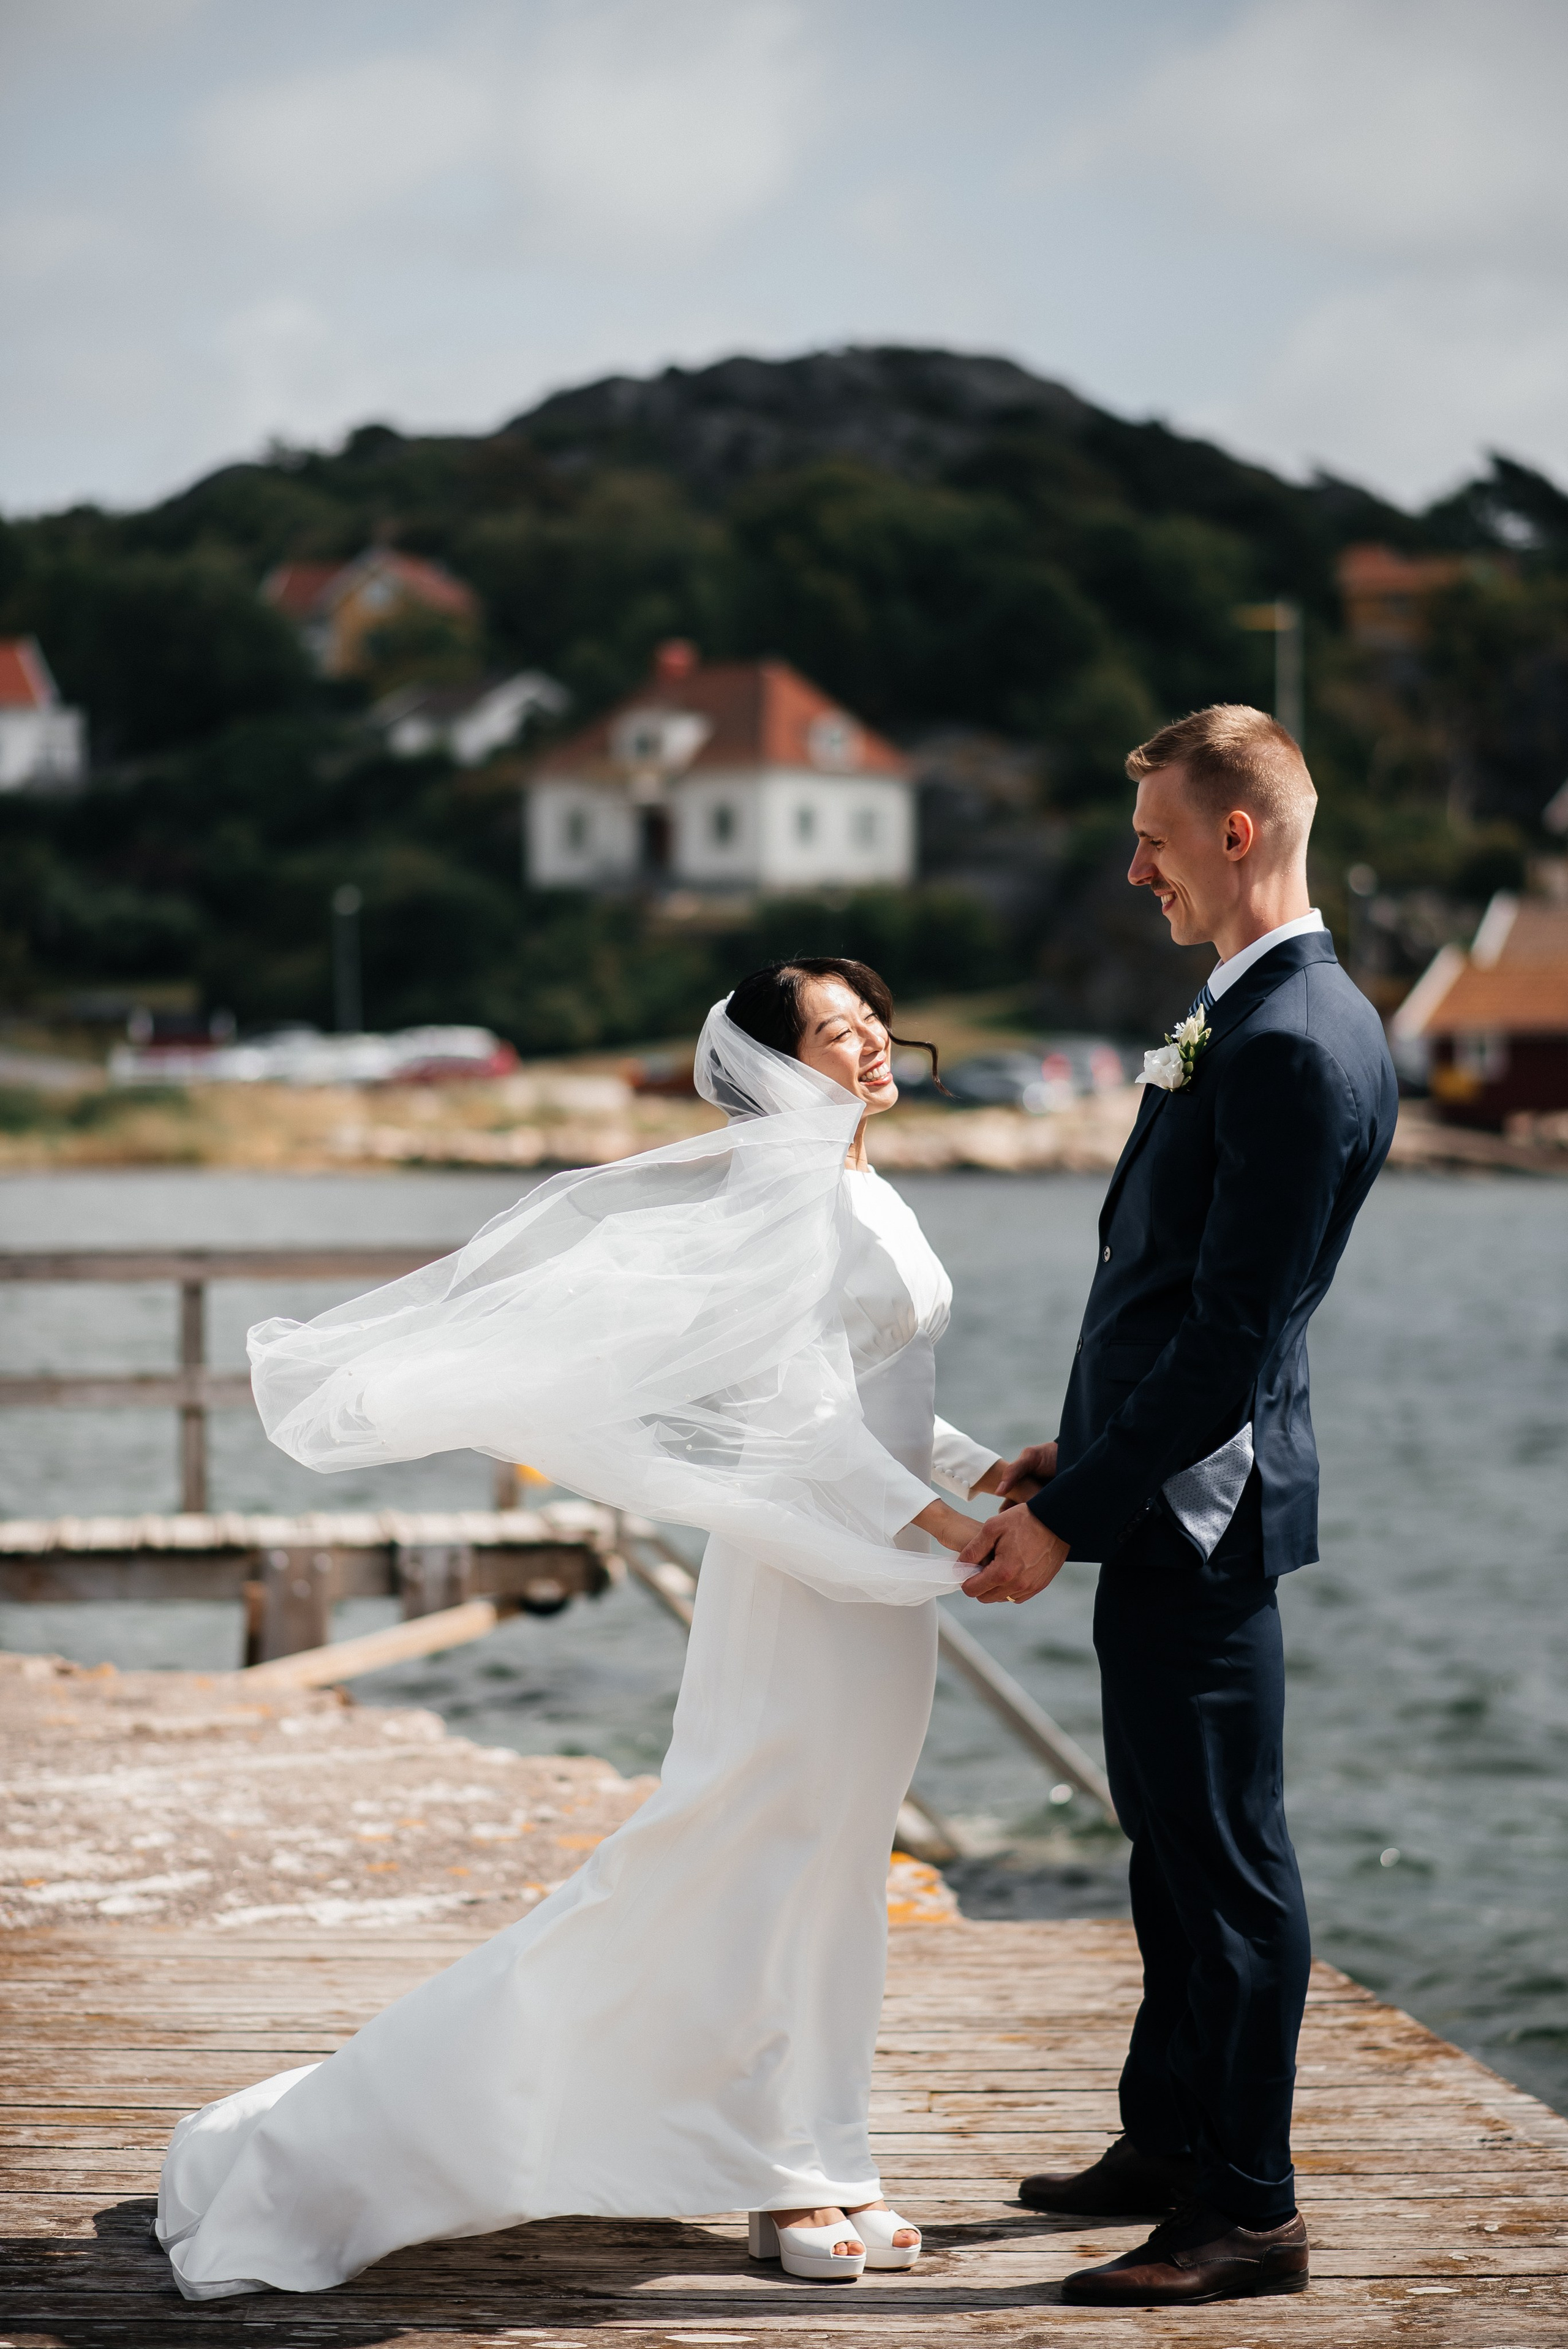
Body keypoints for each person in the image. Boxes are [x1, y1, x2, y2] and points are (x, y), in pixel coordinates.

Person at [157, 958, 1015, 2299]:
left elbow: (880, 1396)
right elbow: (789, 1426)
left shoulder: (868, 1185)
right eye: (836, 1032)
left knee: (839, 1875)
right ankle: (771, 2176)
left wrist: (978, 1476)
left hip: (878, 1583)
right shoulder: (777, 1199)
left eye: (872, 1022)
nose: (869, 1045)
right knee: (739, 1867)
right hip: (802, 1582)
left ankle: (831, 2154)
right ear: (780, 1068)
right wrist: (954, 1533)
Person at [965, 706, 1398, 2310]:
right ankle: (1168, 2136)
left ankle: (1252, 2211)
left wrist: (1071, 1514)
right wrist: (1065, 1453)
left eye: (1153, 832)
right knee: (1169, 1847)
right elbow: (1171, 1303)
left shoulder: (1293, 1037)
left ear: (1237, 831)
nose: (1130, 864)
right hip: (1159, 1494)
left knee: (1227, 1868)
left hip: (1196, 1518)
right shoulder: (1256, 1011)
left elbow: (1232, 1338)